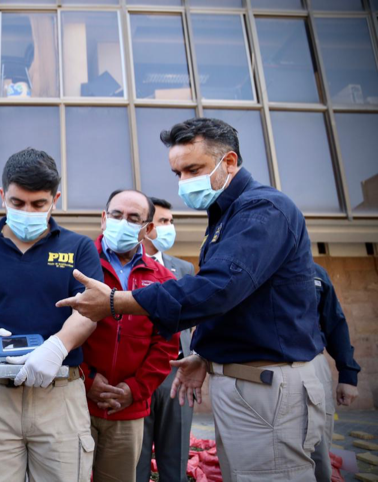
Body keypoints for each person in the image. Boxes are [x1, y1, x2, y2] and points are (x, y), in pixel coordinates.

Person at [57, 118, 326, 482]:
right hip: (246, 383)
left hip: (266, 385)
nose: (184, 182)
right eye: (178, 173)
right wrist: (206, 355)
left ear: (229, 162)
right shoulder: (225, 216)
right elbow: (237, 303)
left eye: (193, 169)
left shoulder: (262, 210)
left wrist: (117, 302)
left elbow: (218, 290)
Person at [0, 148, 103, 482]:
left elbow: (90, 310)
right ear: (2, 195)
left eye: (39, 204)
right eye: (17, 203)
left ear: (56, 199)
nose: (27, 212)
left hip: (60, 396)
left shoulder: (78, 248)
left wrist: (57, 346)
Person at [82, 189, 178, 482]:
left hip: (128, 409)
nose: (123, 223)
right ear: (103, 218)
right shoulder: (78, 265)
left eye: (134, 218)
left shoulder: (163, 279)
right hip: (77, 403)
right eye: (116, 215)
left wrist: (134, 390)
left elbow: (166, 346)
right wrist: (87, 380)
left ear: (148, 229)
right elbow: (57, 327)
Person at [137, 197, 196, 482]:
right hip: (138, 374)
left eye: (171, 221)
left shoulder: (184, 269)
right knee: (135, 461)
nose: (169, 227)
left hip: (177, 374)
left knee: (175, 458)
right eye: (163, 221)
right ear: (147, 227)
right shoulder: (129, 265)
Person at [311, 261, 361, 481]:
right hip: (261, 370)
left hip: (313, 364)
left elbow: (335, 323)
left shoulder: (316, 272)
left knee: (319, 449)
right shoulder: (254, 264)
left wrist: (348, 375)